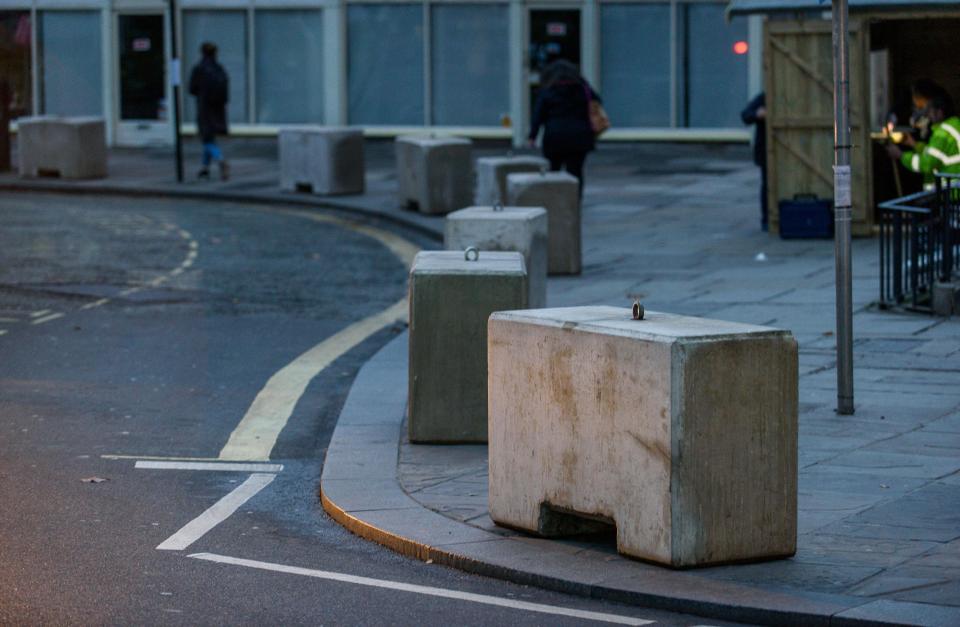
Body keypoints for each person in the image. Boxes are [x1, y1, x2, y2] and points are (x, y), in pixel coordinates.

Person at [528, 59, 600, 197]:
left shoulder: (548, 91)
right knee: (576, 172)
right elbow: (596, 103)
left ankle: (555, 201)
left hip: (555, 137)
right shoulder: (583, 89)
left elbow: (538, 115)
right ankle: (574, 202)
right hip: (580, 137)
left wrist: (533, 136)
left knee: (554, 172)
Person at [887, 86, 960, 187]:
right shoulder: (955, 125)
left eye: (930, 111)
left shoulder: (943, 133)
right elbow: (936, 154)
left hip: (948, 193)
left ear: (939, 112)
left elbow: (926, 164)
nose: (928, 116)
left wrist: (901, 155)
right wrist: (914, 144)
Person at [189, 42, 229, 181]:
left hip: (204, 107)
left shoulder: (199, 68)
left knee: (206, 137)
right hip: (217, 108)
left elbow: (192, 89)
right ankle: (205, 168)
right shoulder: (219, 68)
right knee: (210, 137)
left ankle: (220, 159)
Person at [741, 93, 768, 231]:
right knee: (767, 185)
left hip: (768, 149)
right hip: (765, 150)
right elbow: (746, 115)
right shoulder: (764, 97)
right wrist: (758, 114)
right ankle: (766, 219)